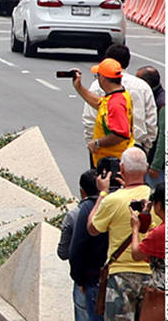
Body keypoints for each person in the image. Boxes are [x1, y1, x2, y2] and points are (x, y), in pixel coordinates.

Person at [87, 147, 157, 321]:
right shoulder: (157, 199)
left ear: (122, 168)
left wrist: (102, 193)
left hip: (120, 276)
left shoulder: (114, 200)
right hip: (154, 276)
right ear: (147, 168)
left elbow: (92, 228)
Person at [81, 45, 157, 154]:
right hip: (135, 147)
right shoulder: (142, 86)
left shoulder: (99, 87)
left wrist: (93, 143)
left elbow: (89, 119)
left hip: (105, 148)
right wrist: (146, 147)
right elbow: (151, 121)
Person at [58, 169, 108, 321]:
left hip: (87, 280)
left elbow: (65, 252)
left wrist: (79, 279)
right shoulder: (114, 207)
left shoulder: (75, 215)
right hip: (110, 277)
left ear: (82, 191)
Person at [73, 58, 135, 168]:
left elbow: (120, 134)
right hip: (111, 161)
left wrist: (97, 143)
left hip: (113, 163)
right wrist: (79, 87)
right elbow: (99, 104)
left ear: (103, 79)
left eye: (97, 76)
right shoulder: (119, 95)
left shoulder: (116, 103)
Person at [129, 183, 165, 320]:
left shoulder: (160, 232)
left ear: (159, 205)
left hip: (159, 296)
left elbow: (136, 254)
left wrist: (135, 228)